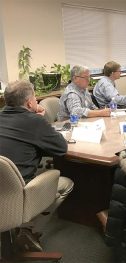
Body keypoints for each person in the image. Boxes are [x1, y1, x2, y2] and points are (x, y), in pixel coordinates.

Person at [0, 80, 74, 251]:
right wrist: (40, 121)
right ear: (30, 102)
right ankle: (27, 230)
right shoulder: (34, 122)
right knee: (65, 183)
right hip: (16, 196)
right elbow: (61, 148)